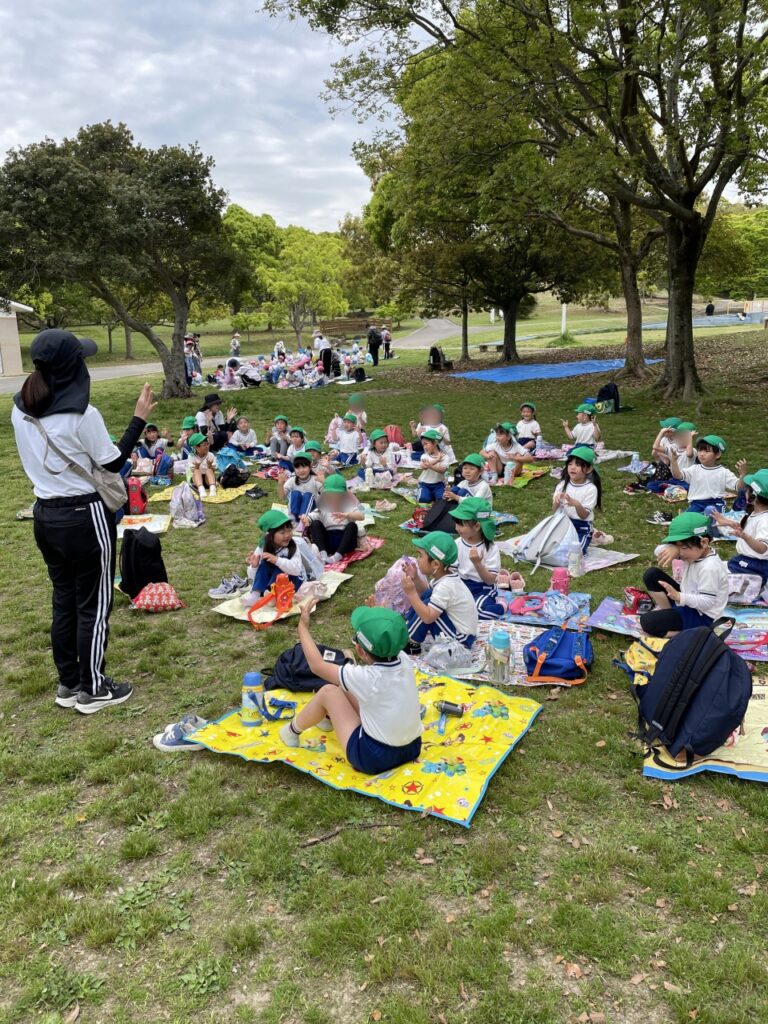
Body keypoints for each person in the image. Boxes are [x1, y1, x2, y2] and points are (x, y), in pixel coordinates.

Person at [11, 328, 156, 713]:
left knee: (65, 600)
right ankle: (93, 688)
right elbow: (114, 462)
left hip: (45, 514)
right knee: (94, 602)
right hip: (85, 516)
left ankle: (69, 684)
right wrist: (138, 419)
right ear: (72, 367)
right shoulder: (82, 415)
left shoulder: (20, 410)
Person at [279, 604, 422, 776]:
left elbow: (317, 666)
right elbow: (390, 638)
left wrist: (302, 627)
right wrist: (379, 621)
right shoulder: (405, 660)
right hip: (412, 747)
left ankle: (291, 731)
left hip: (374, 758)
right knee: (345, 687)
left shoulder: (366, 678)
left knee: (328, 692)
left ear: (360, 650)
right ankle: (326, 717)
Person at [640, 512, 728, 637]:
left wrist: (679, 597)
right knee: (651, 574)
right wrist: (674, 547)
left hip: (703, 616)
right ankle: (670, 613)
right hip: (686, 600)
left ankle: (699, 632)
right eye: (677, 547)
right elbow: (658, 551)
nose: (679, 553)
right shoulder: (693, 553)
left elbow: (708, 602)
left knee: (647, 622)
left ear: (704, 542)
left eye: (683, 548)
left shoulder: (710, 567)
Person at [403, 531, 479, 652]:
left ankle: (412, 644)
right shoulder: (445, 578)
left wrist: (411, 594)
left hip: (460, 641)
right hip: (459, 632)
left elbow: (428, 617)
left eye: (420, 556)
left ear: (435, 564)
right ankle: (408, 625)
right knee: (428, 596)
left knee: (426, 609)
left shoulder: (446, 586)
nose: (417, 560)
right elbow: (425, 592)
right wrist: (415, 578)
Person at [449, 497, 505, 620]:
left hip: (482, 588)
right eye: (456, 523)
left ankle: (501, 606)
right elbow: (452, 571)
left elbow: (490, 580)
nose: (456, 528)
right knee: (439, 601)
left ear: (477, 526)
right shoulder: (457, 543)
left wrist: (477, 563)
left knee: (478, 611)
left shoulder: (490, 549)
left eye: (460, 524)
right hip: (461, 585)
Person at [712, 469, 768, 584]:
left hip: (755, 567)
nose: (745, 491)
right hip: (745, 561)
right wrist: (728, 522)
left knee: (713, 577)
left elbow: (762, 549)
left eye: (747, 488)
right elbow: (749, 529)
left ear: (753, 495)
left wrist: (744, 536)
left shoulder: (765, 520)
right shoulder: (756, 512)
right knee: (712, 567)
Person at [552, 445, 612, 552]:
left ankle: (592, 535)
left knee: (574, 552)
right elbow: (554, 510)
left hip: (582, 527)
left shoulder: (591, 489)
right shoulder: (562, 485)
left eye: (578, 464)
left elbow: (584, 516)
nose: (572, 467)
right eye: (570, 464)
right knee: (550, 547)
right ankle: (594, 536)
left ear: (589, 469)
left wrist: (576, 504)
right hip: (563, 524)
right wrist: (556, 501)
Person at [241, 510, 306, 608]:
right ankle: (254, 596)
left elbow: (296, 570)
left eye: (289, 530)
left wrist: (277, 560)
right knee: (264, 563)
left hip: (293, 582)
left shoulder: (292, 547)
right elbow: (254, 577)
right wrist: (254, 566)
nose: (287, 535)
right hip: (270, 585)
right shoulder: (262, 548)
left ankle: (273, 595)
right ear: (270, 535)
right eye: (282, 532)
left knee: (280, 563)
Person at [667, 434, 747, 515]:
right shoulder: (694, 469)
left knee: (713, 518)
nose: (702, 454)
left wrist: (742, 475)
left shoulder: (723, 472)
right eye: (700, 450)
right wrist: (673, 461)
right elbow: (677, 475)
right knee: (690, 520)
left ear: (717, 455)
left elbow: (739, 487)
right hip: (696, 504)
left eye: (707, 451)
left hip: (716, 503)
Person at [302, 474, 365, 563]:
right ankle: (323, 554)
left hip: (345, 543)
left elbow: (361, 516)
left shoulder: (348, 506)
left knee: (352, 526)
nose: (334, 498)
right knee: (315, 524)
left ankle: (337, 556)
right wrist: (306, 518)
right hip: (328, 541)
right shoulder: (323, 507)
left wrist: (347, 515)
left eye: (338, 496)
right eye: (330, 496)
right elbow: (312, 516)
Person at [277, 453, 322, 521]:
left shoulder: (315, 479)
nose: (301, 471)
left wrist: (324, 482)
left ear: (310, 466)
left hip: (311, 513)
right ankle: (294, 519)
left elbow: (326, 495)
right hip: (296, 512)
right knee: (295, 493)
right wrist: (280, 484)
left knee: (308, 495)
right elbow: (282, 497)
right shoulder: (292, 480)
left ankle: (302, 521)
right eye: (297, 468)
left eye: (304, 467)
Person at [417, 429, 450, 503]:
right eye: (423, 445)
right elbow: (424, 466)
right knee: (423, 499)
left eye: (426, 444)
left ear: (435, 443)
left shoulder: (445, 457)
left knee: (442, 499)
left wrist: (430, 465)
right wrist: (437, 460)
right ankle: (428, 494)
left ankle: (432, 494)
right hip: (424, 484)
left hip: (439, 484)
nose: (424, 447)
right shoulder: (424, 456)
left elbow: (442, 470)